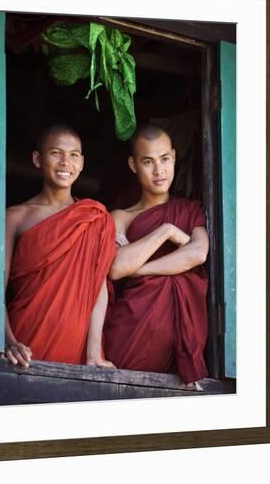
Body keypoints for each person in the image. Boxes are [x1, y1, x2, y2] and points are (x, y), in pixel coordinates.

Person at [104, 123, 209, 384]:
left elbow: (198, 254)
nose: (159, 170)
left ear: (174, 157)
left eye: (164, 159)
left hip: (180, 338)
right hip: (131, 330)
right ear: (133, 165)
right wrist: (166, 231)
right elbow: (116, 267)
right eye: (148, 162)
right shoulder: (121, 217)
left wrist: (140, 269)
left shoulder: (190, 209)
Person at [4, 124, 116, 369]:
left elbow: (98, 287)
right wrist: (7, 341)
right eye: (56, 153)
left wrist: (94, 353)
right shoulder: (16, 217)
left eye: (74, 155)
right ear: (37, 159)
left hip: (74, 345)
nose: (66, 162)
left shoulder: (94, 217)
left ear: (82, 163)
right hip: (25, 342)